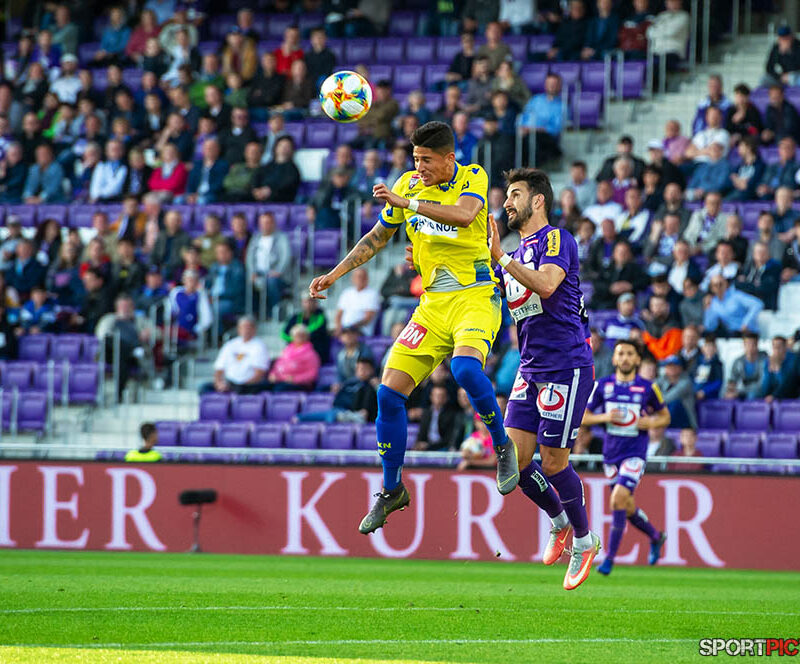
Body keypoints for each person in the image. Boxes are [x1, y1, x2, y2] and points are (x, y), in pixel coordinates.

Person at [309, 121, 519, 534]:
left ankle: (501, 444)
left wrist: (408, 203)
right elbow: (378, 235)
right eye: (415, 159)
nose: (418, 166)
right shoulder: (408, 184)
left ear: (449, 159)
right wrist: (333, 275)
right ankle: (392, 490)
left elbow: (463, 216)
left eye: (426, 159)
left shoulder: (471, 176)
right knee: (387, 393)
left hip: (475, 295)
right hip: (431, 307)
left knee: (463, 369)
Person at [488, 168, 600, 590]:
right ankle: (559, 520)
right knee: (514, 463)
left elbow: (550, 286)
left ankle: (586, 540)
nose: (507, 202)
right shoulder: (512, 252)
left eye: (515, 194)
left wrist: (501, 256)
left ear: (538, 201)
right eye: (507, 195)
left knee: (553, 463)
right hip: (530, 367)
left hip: (566, 365)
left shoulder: (556, 240)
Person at [582, 339, 669, 576]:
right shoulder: (602, 386)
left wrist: (650, 422)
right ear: (614, 358)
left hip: (635, 453)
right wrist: (605, 417)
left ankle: (609, 559)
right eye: (621, 353)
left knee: (617, 499)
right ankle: (655, 535)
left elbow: (665, 417)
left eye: (630, 353)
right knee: (626, 505)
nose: (625, 358)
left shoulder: (648, 388)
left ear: (638, 359)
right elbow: (583, 417)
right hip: (611, 454)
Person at [200, 316, 270, 395]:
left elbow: (259, 373)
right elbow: (219, 368)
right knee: (205, 388)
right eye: (243, 327)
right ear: (238, 329)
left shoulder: (259, 346)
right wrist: (219, 383)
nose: (245, 330)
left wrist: (243, 384)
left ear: (254, 329)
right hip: (230, 383)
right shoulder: (230, 344)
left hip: (248, 385)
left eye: (248, 327)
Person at [516, 73, 563, 162]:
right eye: (549, 83)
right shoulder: (535, 100)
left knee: (533, 140)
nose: (551, 86)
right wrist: (520, 127)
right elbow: (523, 116)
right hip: (526, 133)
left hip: (546, 137)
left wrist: (533, 130)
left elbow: (555, 129)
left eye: (554, 84)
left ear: (559, 86)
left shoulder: (562, 106)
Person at [267, 324, 321, 392]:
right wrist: (273, 374)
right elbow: (277, 365)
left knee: (279, 389)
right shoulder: (286, 350)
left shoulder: (311, 354)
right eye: (296, 335)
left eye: (302, 335)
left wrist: (295, 379)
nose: (299, 337)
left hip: (300, 385)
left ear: (307, 337)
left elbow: (312, 374)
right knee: (264, 386)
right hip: (281, 381)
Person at [281, 296, 330, 365]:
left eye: (312, 301)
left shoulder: (320, 317)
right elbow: (284, 334)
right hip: (297, 353)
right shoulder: (295, 317)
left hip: (315, 354)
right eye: (306, 301)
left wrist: (298, 336)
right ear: (302, 303)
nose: (309, 303)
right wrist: (296, 339)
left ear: (316, 303)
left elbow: (314, 332)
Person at [414, 383, 462, 451]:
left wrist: (429, 446)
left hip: (442, 449)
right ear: (431, 397)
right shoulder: (426, 413)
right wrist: (419, 444)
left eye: (441, 396)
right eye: (436, 395)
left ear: (446, 398)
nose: (438, 398)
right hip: (425, 448)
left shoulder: (452, 414)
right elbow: (421, 434)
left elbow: (448, 439)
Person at [333, 268, 380, 336]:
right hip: (345, 329)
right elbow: (338, 315)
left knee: (348, 335)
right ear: (352, 278)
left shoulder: (372, 294)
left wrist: (352, 327)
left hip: (361, 330)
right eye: (357, 276)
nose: (359, 279)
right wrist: (338, 327)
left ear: (367, 278)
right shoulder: (346, 293)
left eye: (362, 276)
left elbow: (368, 318)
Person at [655, 355, 697, 429]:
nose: (671, 368)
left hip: (686, 422)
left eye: (674, 366)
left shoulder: (686, 382)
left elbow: (667, 399)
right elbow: (650, 390)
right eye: (669, 366)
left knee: (675, 403)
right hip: (667, 419)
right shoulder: (663, 379)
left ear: (680, 368)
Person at [725, 332, 768, 400]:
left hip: (760, 392)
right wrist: (730, 391)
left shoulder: (764, 360)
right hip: (743, 391)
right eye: (748, 344)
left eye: (753, 344)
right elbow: (732, 380)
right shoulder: (738, 361)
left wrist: (740, 392)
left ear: (757, 345)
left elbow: (762, 384)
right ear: (744, 345)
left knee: (752, 395)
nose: (750, 347)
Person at [759, 336, 799, 401]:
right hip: (775, 396)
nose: (776, 349)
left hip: (792, 395)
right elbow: (765, 389)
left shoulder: (794, 359)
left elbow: (789, 384)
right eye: (774, 347)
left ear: (785, 347)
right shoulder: (769, 361)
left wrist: (778, 370)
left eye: (779, 347)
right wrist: (770, 372)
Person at [693, 333, 723, 402]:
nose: (709, 349)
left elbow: (718, 382)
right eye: (707, 346)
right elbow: (692, 377)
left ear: (715, 349)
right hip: (694, 392)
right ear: (703, 348)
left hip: (708, 395)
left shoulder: (717, 364)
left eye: (711, 346)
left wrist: (704, 391)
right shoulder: (697, 362)